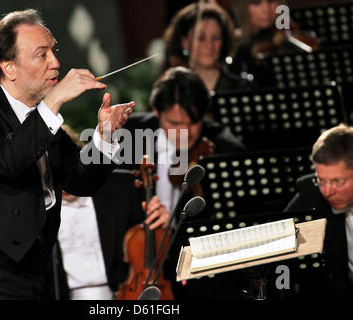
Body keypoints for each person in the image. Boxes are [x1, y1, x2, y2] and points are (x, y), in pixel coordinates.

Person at [0, 9, 135, 300]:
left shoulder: (39, 116)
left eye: (54, 51)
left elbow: (80, 181)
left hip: (34, 269)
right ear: (9, 67)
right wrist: (54, 101)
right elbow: (7, 161)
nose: (56, 63)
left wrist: (104, 136)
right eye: (42, 55)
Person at [122, 66, 247, 299]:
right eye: (175, 123)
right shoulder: (130, 135)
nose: (185, 132)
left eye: (193, 122)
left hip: (201, 272)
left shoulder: (222, 147)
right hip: (142, 266)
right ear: (157, 113)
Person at [54, 126, 170, 300]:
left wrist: (163, 223)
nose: (62, 178)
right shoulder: (32, 208)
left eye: (66, 167)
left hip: (123, 293)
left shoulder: (123, 187)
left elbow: (152, 245)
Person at [285, 124, 353, 299]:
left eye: (338, 181)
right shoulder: (313, 192)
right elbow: (279, 233)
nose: (327, 191)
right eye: (322, 180)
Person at [163, 3, 251, 96]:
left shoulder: (243, 88)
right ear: (185, 43)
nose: (209, 45)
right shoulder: (173, 89)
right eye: (201, 38)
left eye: (215, 38)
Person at [231, 0, 319, 86]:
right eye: (256, 3)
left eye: (271, 1)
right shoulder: (238, 45)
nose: (266, 10)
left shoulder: (289, 33)